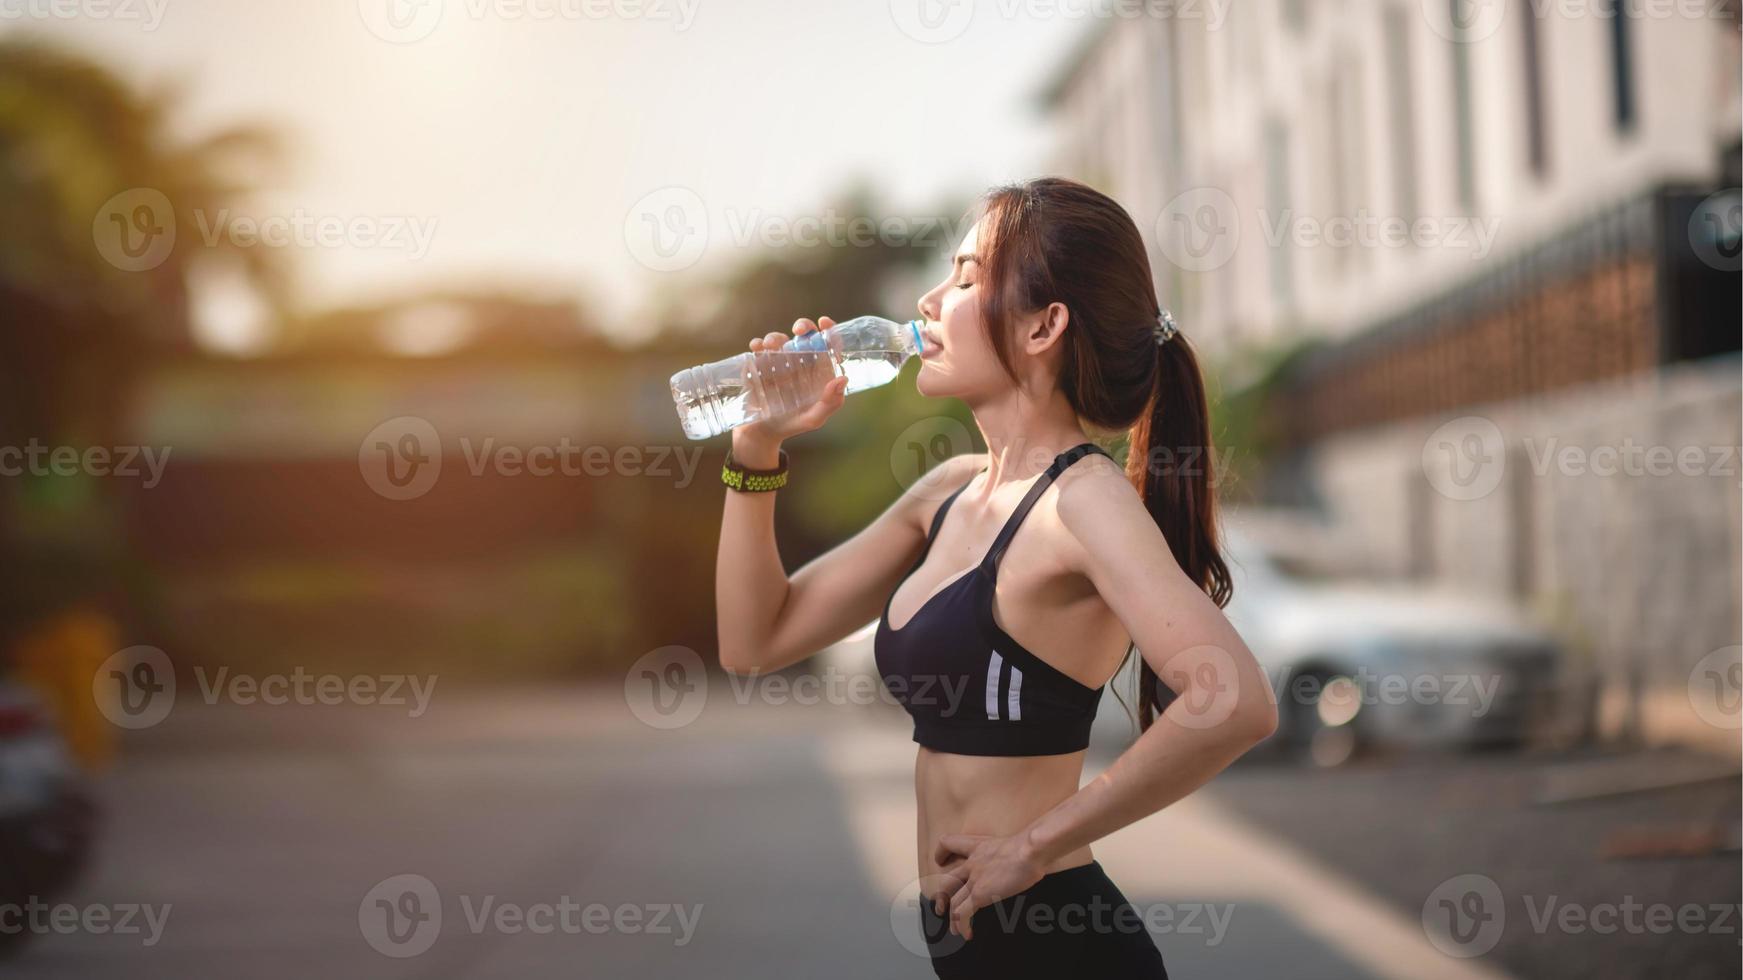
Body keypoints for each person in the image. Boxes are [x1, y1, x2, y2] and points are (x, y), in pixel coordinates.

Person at [714, 177, 1278, 978]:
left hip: (1055, 942)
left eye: (968, 278)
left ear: (1045, 325)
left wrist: (1029, 848)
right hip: (969, 947)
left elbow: (1234, 703)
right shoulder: (944, 493)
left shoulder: (1082, 502)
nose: (929, 299)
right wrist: (755, 450)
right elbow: (753, 642)